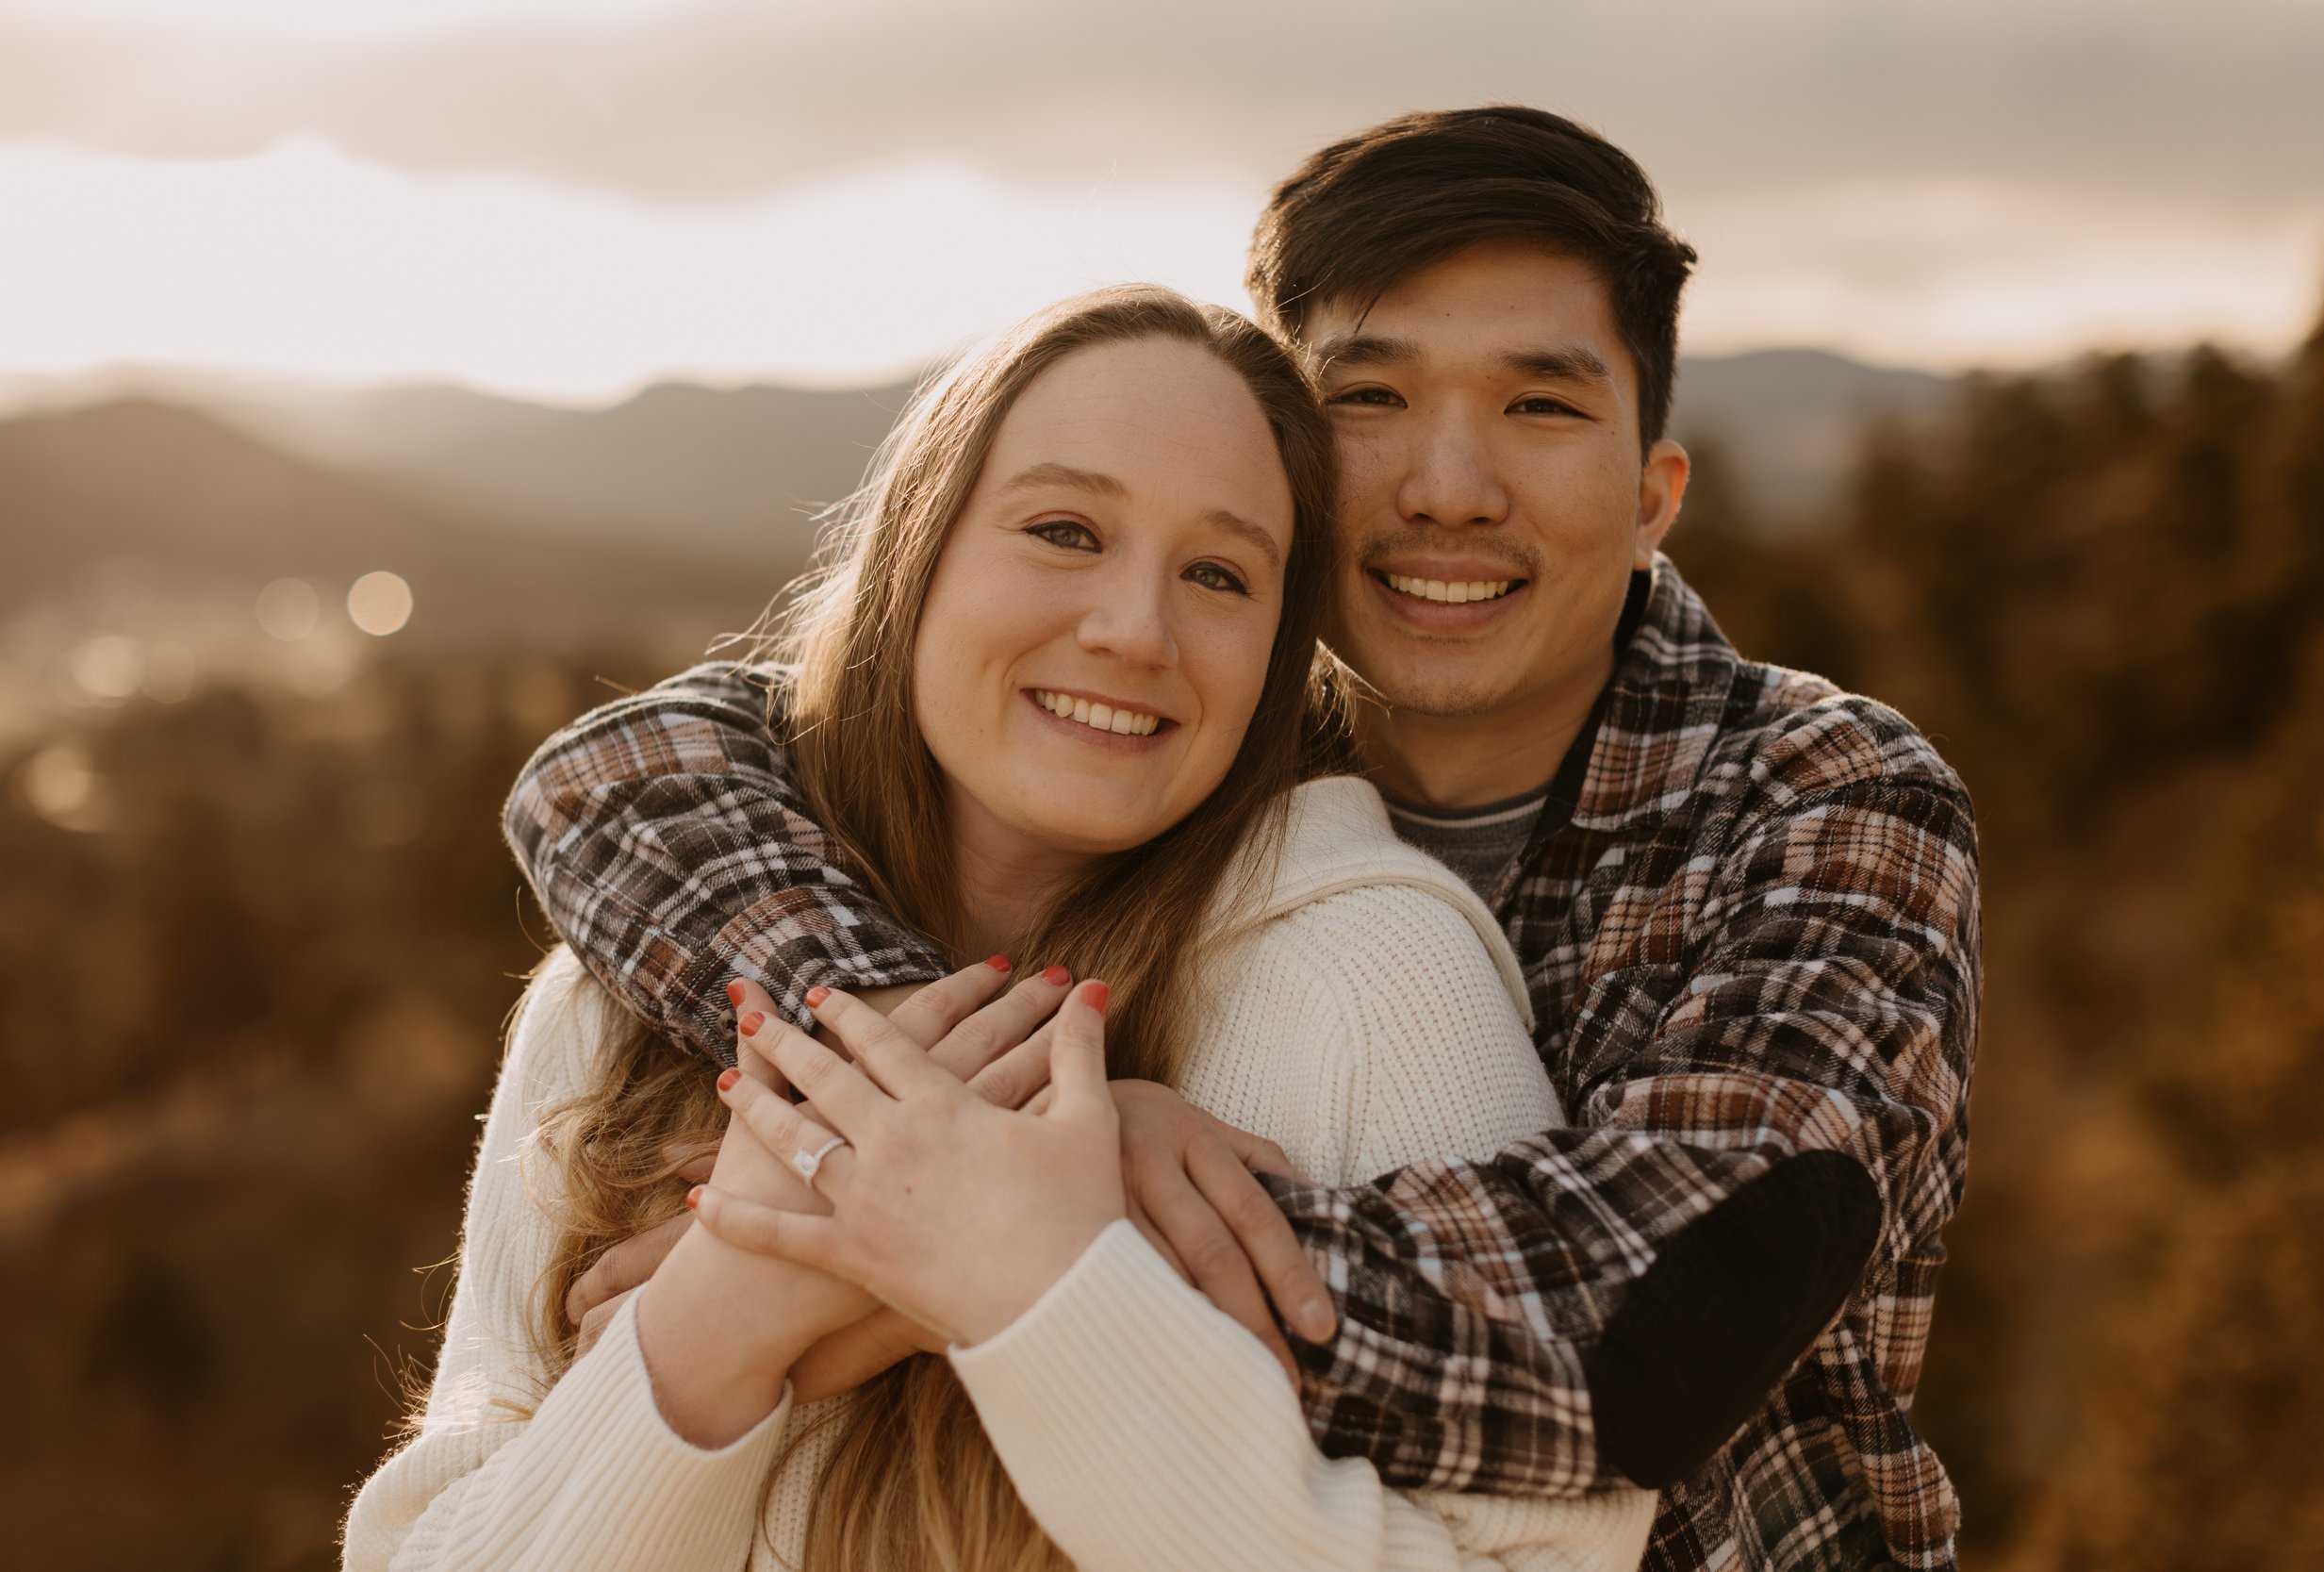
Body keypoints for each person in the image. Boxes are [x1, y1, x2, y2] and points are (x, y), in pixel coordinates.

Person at [503, 109, 1982, 1570]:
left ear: (1655, 495)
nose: (1448, 487)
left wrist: (1012, 1201)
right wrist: (957, 1115)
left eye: (1540, 406)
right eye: (1370, 399)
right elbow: (616, 777)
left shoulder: (1819, 800)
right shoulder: (1177, 742)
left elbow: (1649, 1323)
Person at [344, 286, 1658, 1571]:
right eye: (1066, 532)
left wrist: (1046, 1290)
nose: (1134, 630)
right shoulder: (617, 999)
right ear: (921, 550)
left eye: (1218, 573)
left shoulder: (1375, 989)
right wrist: (720, 1319)